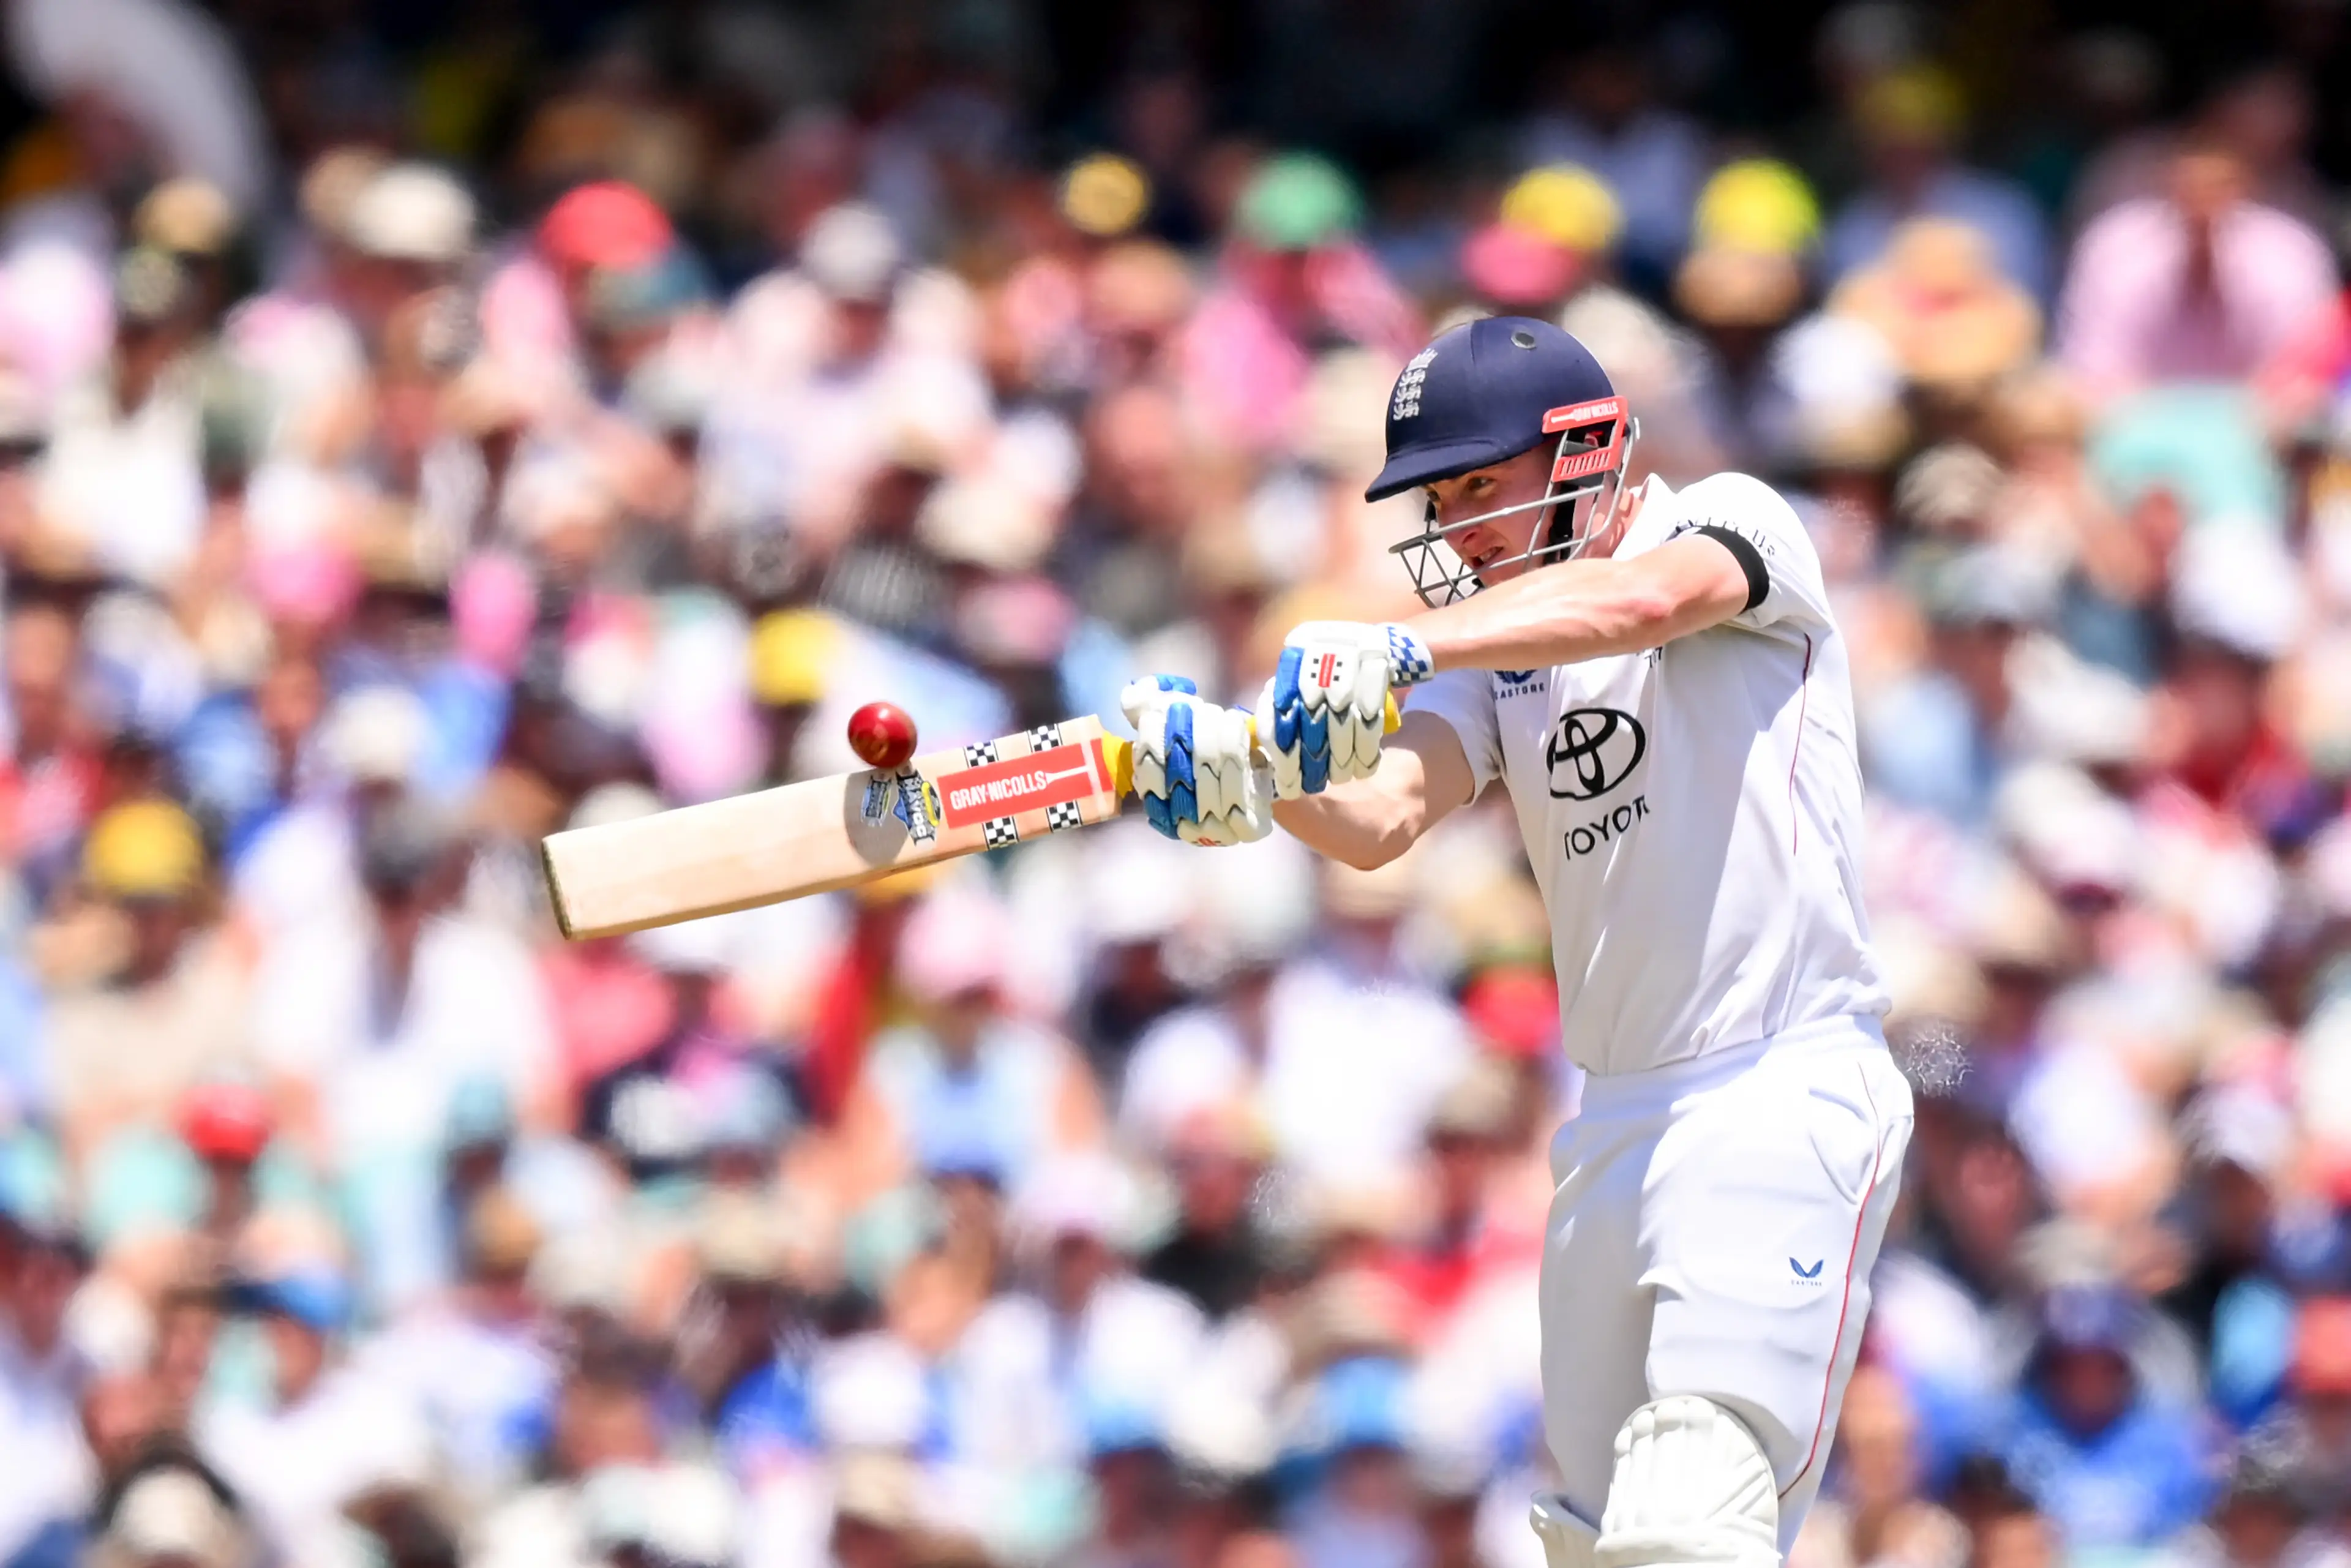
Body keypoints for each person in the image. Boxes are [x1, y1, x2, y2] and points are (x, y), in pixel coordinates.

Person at [1119, 313, 1913, 1568]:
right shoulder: (1501, 654)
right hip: (1613, 1122)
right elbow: (1386, 812)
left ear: (1589, 448)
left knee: (1688, 1522)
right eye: (1443, 499)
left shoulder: (1733, 520)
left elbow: (1642, 603)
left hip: (1780, 1079)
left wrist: (1405, 639)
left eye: (1482, 485)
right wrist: (1252, 774)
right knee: (1592, 1541)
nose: (1462, 526)